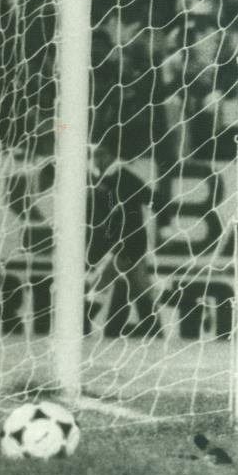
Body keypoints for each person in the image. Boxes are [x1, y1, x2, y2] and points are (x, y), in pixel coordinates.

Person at [86, 137, 158, 338]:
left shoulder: (123, 177)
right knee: (138, 285)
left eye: (101, 154)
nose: (96, 159)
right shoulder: (101, 179)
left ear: (112, 156)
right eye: (94, 155)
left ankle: (82, 321)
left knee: (105, 279)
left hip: (131, 242)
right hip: (122, 241)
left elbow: (152, 197)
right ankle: (154, 327)